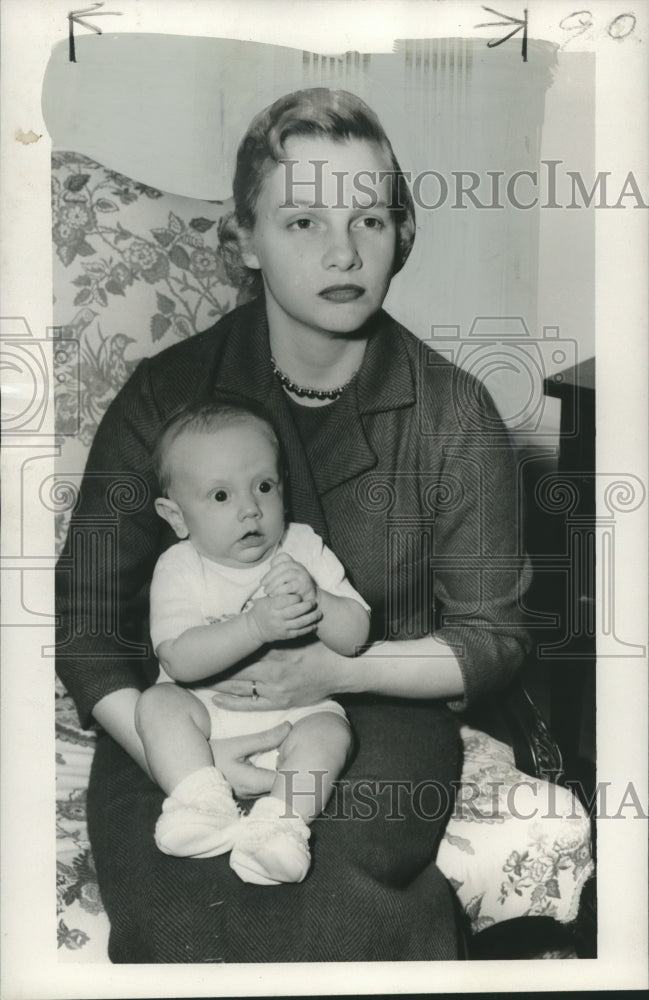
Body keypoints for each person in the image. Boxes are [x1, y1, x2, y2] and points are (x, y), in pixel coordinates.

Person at [56, 87, 531, 963]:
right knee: (178, 906)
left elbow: (493, 637)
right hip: (188, 720)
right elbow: (88, 625)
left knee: (329, 897)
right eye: (302, 222)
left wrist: (330, 663)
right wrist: (191, 767)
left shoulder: (451, 413)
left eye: (370, 221)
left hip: (374, 715)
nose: (343, 252)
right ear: (245, 239)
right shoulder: (167, 394)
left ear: (403, 236)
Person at [136, 400, 370, 884]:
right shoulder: (180, 567)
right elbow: (177, 659)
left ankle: (279, 828)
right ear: (176, 516)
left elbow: (356, 639)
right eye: (220, 496)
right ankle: (200, 802)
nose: (250, 508)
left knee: (331, 734)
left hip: (297, 714)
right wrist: (254, 628)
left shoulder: (302, 547)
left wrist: (318, 598)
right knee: (157, 704)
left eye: (264, 486)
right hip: (207, 718)